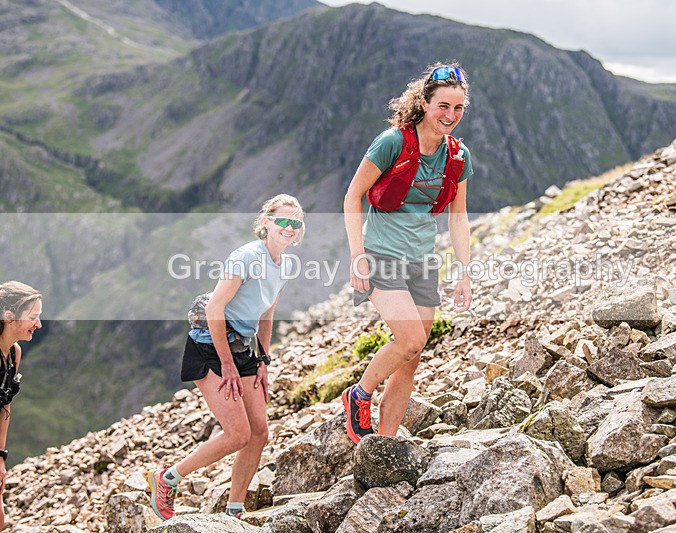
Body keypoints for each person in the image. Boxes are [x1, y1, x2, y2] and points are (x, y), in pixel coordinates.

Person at [147, 194, 305, 520]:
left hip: (243, 347)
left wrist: (263, 360)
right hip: (211, 344)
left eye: (296, 223)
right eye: (283, 221)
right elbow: (214, 308)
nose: (290, 228)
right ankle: (167, 478)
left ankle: (234, 511)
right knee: (238, 434)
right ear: (266, 223)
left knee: (259, 432)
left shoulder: (286, 263)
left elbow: (266, 313)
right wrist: (228, 366)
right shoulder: (245, 257)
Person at [342, 63, 474, 444]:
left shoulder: (458, 155)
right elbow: (352, 197)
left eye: (458, 108)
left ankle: (382, 446)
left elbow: (459, 216)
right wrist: (357, 255)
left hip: (422, 262)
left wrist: (464, 272)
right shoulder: (392, 143)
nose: (450, 116)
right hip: (381, 256)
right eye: (443, 106)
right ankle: (360, 393)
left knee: (410, 362)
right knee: (411, 340)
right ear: (424, 102)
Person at [0, 282, 43, 528]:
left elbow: (5, 406)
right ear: (9, 317)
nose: (39, 324)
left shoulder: (14, 354)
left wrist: (0, 459)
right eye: (33, 317)